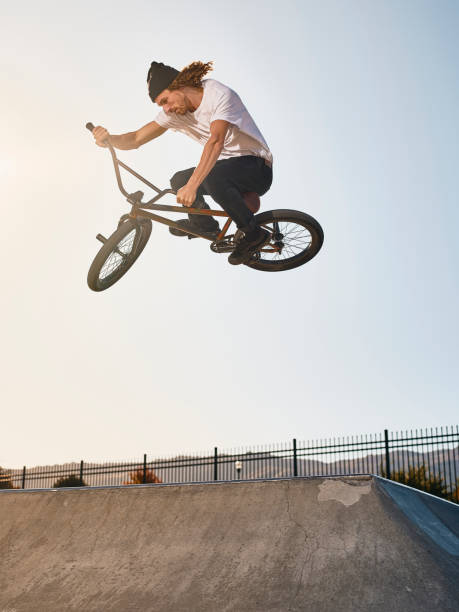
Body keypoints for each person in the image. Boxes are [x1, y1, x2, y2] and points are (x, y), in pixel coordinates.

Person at [92, 60, 273, 265]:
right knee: (179, 180)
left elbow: (215, 142)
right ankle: (204, 225)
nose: (166, 109)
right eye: (162, 105)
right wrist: (108, 140)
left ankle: (253, 234)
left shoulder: (218, 94)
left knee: (208, 178)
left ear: (179, 86)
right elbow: (135, 139)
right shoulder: (175, 113)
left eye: (165, 101)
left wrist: (193, 185)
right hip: (227, 168)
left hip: (257, 167)